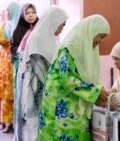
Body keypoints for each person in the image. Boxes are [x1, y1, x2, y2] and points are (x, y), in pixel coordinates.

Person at [37, 14, 110, 141]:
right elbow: (68, 79)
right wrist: (95, 91)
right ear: (91, 31)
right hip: (59, 103)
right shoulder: (69, 48)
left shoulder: (82, 49)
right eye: (100, 36)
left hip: (72, 102)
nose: (100, 41)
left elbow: (83, 77)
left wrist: (99, 92)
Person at [18, 5, 68, 140]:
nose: (62, 28)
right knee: (33, 128)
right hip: (34, 90)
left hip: (46, 90)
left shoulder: (50, 38)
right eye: (61, 25)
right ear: (53, 21)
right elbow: (42, 70)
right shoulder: (37, 38)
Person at [10, 3, 39, 140]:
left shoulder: (41, 28)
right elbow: (14, 51)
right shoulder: (18, 31)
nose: (31, 15)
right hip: (23, 74)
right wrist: (23, 55)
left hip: (38, 74)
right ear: (23, 15)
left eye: (33, 12)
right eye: (27, 13)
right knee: (24, 105)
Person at [0, 1, 21, 133]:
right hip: (3, 62)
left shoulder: (20, 26)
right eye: (5, 11)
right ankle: (4, 120)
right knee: (4, 93)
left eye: (8, 11)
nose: (6, 13)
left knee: (12, 93)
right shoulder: (5, 25)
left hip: (13, 61)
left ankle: (12, 121)